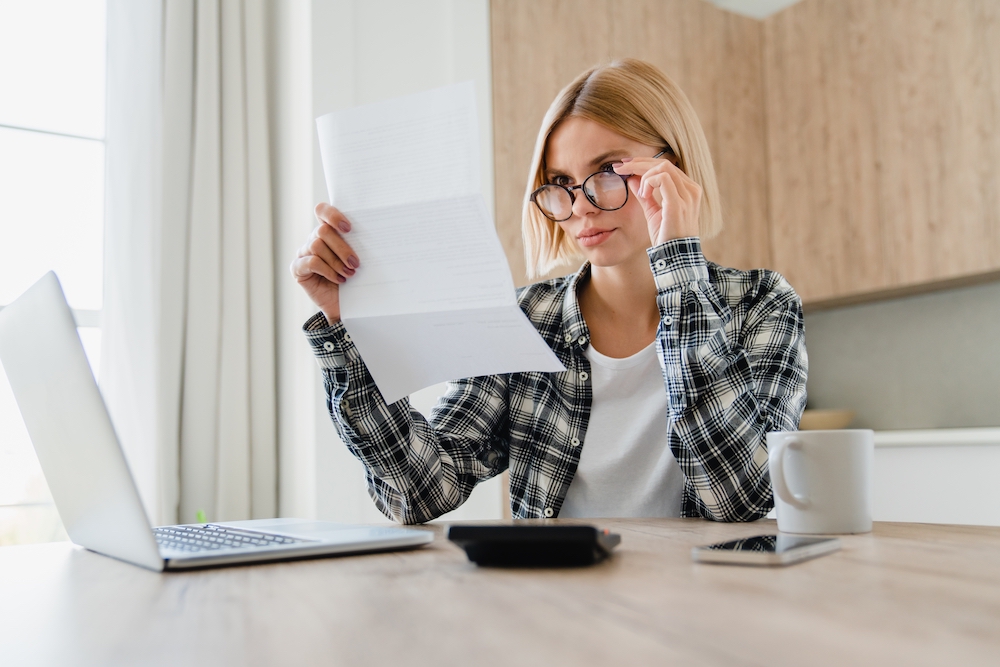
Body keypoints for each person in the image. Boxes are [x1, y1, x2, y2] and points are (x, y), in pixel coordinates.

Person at [290, 59, 808, 524]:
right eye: (560, 180)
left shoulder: (761, 305)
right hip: (559, 610)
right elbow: (421, 490)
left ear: (673, 169)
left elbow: (738, 498)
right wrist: (349, 325)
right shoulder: (525, 320)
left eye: (608, 172)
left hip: (705, 612)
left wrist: (678, 262)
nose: (579, 205)